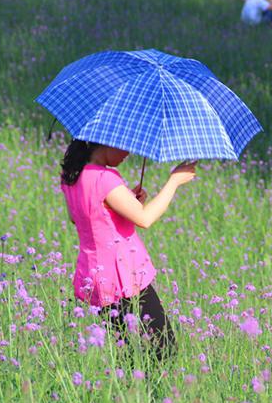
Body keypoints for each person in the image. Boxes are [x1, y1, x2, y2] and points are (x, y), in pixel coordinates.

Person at [59, 139, 196, 361]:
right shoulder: (106, 178)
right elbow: (145, 218)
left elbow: (77, 217)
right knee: (163, 350)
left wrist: (125, 201)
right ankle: (152, 396)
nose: (129, 152)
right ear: (105, 142)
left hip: (94, 278)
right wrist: (174, 181)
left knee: (129, 354)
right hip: (124, 277)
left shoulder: (72, 175)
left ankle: (133, 395)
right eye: (125, 145)